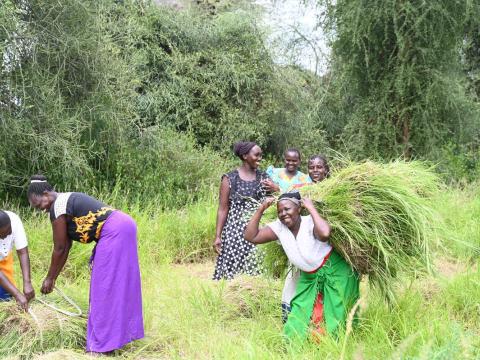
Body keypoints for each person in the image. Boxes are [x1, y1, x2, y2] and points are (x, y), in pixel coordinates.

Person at [27, 175, 144, 354]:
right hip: (122, 226)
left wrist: (49, 279)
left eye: (39, 204)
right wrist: (53, 278)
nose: (40, 209)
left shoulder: (57, 208)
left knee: (103, 289)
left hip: (114, 232)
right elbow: (65, 246)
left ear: (45, 193)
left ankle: (101, 346)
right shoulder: (64, 201)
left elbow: (59, 248)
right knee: (117, 285)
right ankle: (117, 338)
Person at [244, 192, 360, 341]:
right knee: (300, 308)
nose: (283, 214)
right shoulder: (279, 228)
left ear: (298, 208)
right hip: (309, 276)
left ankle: (336, 346)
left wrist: (311, 208)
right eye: (280, 211)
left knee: (336, 310)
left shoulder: (309, 222)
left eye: (287, 209)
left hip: (335, 270)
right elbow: (250, 236)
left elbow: (325, 233)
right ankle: (291, 345)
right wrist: (261, 209)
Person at [213, 141, 269, 280]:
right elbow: (223, 208)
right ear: (245, 156)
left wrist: (276, 189)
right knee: (231, 274)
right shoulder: (229, 179)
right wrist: (218, 236)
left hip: (258, 230)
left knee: (256, 271)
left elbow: (275, 201)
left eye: (261, 155)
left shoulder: (264, 178)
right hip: (234, 233)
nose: (260, 158)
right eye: (257, 155)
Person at [0, 210, 34, 311]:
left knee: (6, 298)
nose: (6, 236)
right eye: (2, 235)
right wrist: (17, 293)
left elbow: (22, 252)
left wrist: (27, 283)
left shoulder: (14, 220)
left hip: (4, 259)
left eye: (9, 231)